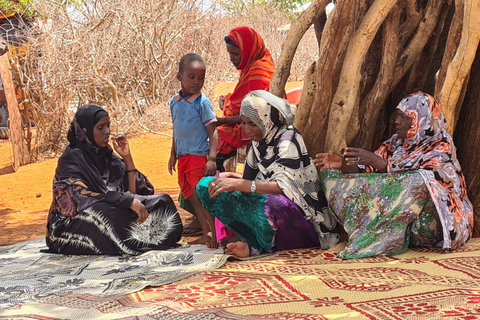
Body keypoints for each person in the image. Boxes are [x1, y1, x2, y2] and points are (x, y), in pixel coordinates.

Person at [314, 91, 474, 259]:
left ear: (422, 120)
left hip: (431, 225)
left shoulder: (441, 145)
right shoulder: (396, 142)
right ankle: (376, 233)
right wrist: (343, 164)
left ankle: (381, 240)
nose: (397, 121)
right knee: (332, 175)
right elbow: (369, 169)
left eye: (404, 117)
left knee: (418, 180)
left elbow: (430, 181)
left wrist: (381, 164)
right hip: (405, 226)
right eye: (397, 116)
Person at [196, 90, 340, 258]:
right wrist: (230, 178)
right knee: (206, 185)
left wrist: (237, 184)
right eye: (243, 123)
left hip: (304, 222)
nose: (247, 129)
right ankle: (252, 239)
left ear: (267, 120)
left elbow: (282, 187)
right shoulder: (258, 141)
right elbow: (251, 181)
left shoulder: (289, 139)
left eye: (252, 124)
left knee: (272, 204)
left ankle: (256, 247)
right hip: (271, 208)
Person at [45, 104, 183, 255]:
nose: (107, 132)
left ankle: (141, 239)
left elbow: (132, 192)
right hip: (69, 225)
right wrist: (127, 201)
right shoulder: (71, 159)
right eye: (101, 127)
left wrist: (127, 158)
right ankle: (134, 239)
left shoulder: (108, 156)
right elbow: (78, 199)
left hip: (111, 209)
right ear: (85, 131)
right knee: (105, 214)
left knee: (163, 201)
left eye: (108, 126)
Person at [168, 53, 218, 248]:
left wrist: (212, 158)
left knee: (201, 196)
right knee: (192, 197)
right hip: (183, 158)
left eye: (201, 78)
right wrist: (172, 154)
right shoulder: (175, 102)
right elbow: (176, 129)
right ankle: (206, 233)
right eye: (191, 77)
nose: (197, 82)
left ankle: (215, 235)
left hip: (198, 157)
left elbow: (213, 133)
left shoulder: (202, 103)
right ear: (179, 77)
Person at [216, 26, 275, 172]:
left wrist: (223, 120)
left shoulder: (259, 70)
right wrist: (227, 101)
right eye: (230, 54)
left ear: (247, 50)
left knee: (216, 140)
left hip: (260, 128)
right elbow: (242, 98)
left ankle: (218, 183)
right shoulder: (249, 67)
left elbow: (254, 113)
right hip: (247, 122)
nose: (232, 59)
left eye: (236, 54)